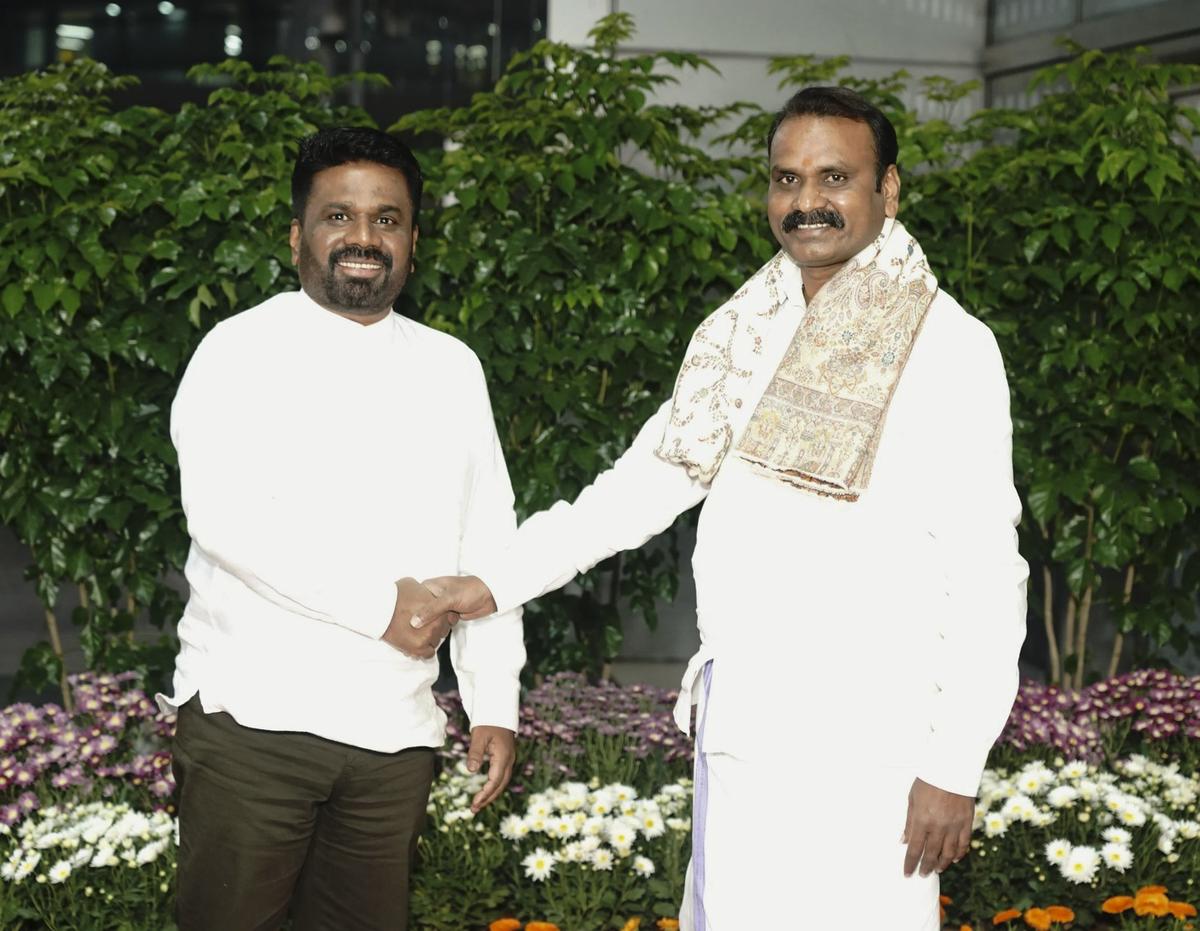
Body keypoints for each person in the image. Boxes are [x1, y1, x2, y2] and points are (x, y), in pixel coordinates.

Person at [413, 87, 1029, 929]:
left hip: (876, 746)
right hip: (744, 731)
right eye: (786, 178)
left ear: (887, 190)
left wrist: (953, 765)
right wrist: (487, 584)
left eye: (834, 177)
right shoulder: (741, 334)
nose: (805, 201)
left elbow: (988, 575)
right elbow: (634, 492)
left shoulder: (951, 346)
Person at [158, 126, 525, 931]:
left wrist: (495, 696)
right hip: (257, 728)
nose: (363, 237)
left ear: (414, 241)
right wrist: (379, 605)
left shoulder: (452, 366)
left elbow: (488, 538)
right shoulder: (238, 351)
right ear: (298, 236)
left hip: (396, 736)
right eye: (339, 217)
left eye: (386, 219)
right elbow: (227, 519)